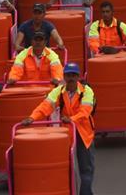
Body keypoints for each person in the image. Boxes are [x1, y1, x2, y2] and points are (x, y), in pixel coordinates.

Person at [22, 63, 95, 195]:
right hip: (65, 135)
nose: (71, 78)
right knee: (65, 168)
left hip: (83, 135)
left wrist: (71, 119)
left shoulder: (86, 91)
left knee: (86, 170)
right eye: (68, 75)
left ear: (78, 77)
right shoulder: (58, 91)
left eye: (73, 75)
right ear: (64, 77)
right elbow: (45, 106)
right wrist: (32, 118)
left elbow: (85, 112)